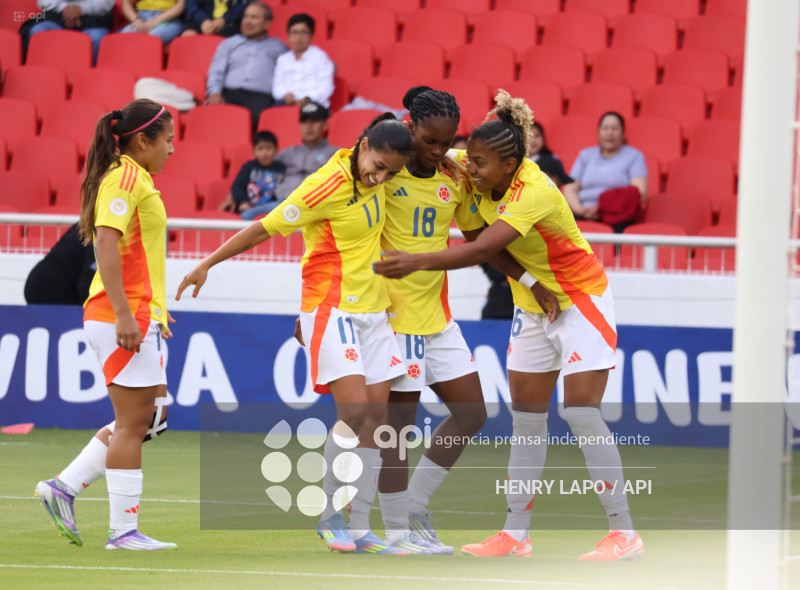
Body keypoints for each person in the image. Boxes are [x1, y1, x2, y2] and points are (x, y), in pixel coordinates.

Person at [375, 90, 644, 561]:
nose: (467, 170)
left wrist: (416, 260)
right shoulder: (471, 163)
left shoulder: (535, 190)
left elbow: (480, 250)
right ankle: (515, 534)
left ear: (510, 163)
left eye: (478, 163)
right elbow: (431, 151)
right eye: (468, 159)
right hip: (531, 304)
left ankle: (624, 532)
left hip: (579, 300)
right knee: (527, 422)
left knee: (581, 412)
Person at [176, 113, 414, 555]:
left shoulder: (381, 172)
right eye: (377, 166)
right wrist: (208, 262)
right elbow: (263, 228)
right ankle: (329, 516)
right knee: (356, 413)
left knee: (379, 422)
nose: (380, 177)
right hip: (332, 307)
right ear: (363, 145)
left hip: (375, 312)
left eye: (390, 172)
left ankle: (360, 526)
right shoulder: (324, 186)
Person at [35, 99, 178, 550]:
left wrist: (150, 311)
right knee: (135, 422)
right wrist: (123, 313)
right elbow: (105, 243)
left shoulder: (136, 178)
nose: (172, 149)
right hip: (122, 314)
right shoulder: (125, 177)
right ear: (142, 140)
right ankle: (122, 531)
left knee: (150, 419)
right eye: (168, 139)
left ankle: (65, 486)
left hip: (141, 313)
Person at [377, 86, 501, 555]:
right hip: (394, 317)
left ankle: (413, 505)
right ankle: (396, 534)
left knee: (472, 412)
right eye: (430, 140)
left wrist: (526, 281)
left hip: (439, 317)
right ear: (411, 128)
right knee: (397, 430)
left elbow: (478, 240)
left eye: (447, 141)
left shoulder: (454, 176)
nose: (439, 150)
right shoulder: (382, 170)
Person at [205, 2, 286, 132]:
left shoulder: (279, 47)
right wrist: (215, 92)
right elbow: (216, 71)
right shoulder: (229, 43)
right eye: (246, 17)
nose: (248, 21)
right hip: (228, 94)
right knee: (211, 120)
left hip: (259, 98)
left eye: (254, 17)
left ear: (267, 23)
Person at [561, 112, 648, 223]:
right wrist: (580, 210)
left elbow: (639, 192)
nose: (609, 133)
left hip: (617, 217)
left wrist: (604, 208)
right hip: (582, 214)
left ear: (623, 133)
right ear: (598, 132)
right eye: (605, 128)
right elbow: (569, 188)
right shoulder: (586, 155)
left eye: (615, 128)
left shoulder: (634, 156)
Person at [274, 101, 339, 200]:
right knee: (248, 214)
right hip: (281, 202)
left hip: (312, 204)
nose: (308, 126)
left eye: (314, 121)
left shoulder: (336, 154)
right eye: (304, 122)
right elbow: (260, 164)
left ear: (325, 125)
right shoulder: (290, 152)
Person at [217, 131, 286, 219]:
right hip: (251, 207)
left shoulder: (282, 169)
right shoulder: (248, 167)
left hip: (275, 207)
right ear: (254, 151)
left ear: (276, 150)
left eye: (269, 148)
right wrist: (243, 202)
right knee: (246, 215)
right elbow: (237, 187)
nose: (264, 153)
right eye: (260, 149)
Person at [272, 13, 334, 109]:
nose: (299, 37)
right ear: (288, 36)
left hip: (313, 103)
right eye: (294, 32)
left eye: (303, 32)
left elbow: (326, 87)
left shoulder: (320, 57)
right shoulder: (283, 59)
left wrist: (308, 99)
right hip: (288, 102)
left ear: (311, 36)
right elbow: (277, 87)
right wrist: (285, 95)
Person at [24, 223, 96, 305]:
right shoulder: (99, 229)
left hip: (45, 283)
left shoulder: (90, 223)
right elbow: (87, 280)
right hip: (51, 288)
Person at [27, 0, 115, 62]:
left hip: (92, 18)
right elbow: (45, 1)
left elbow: (107, 2)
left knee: (98, 38)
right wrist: (68, 11)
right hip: (58, 17)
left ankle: (92, 79)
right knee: (37, 31)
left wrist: (81, 9)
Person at [527, 121, 573, 188]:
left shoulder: (550, 161)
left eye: (537, 136)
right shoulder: (515, 161)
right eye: (529, 136)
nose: (532, 140)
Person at [119, 0, 186, 45]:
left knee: (151, 37)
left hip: (168, 18)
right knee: (124, 36)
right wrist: (135, 19)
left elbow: (180, 5)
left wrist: (156, 21)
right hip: (142, 17)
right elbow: (126, 3)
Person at [181, 0, 250, 37]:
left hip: (230, 21)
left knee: (221, 38)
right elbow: (191, 6)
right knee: (188, 35)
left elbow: (246, 6)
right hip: (201, 19)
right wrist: (204, 20)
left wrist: (224, 19)